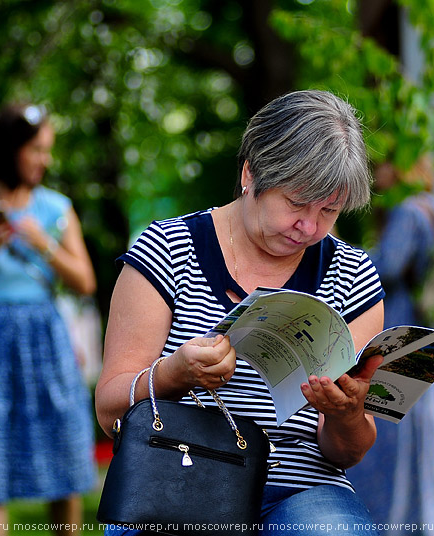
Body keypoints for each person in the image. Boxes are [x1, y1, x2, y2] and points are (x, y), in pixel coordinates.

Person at [95, 89, 385, 536]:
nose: (309, 227)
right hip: (178, 471)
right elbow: (108, 407)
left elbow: (346, 451)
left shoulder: (352, 275)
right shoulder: (166, 251)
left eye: (329, 210)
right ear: (251, 174)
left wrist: (346, 413)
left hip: (300, 489)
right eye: (296, 203)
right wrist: (175, 373)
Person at [0, 103, 97, 536]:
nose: (45, 160)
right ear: (10, 150)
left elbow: (85, 281)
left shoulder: (56, 209)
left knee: (63, 451)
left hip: (45, 336)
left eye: (47, 150)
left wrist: (41, 241)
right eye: (37, 150)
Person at [348, 157, 434, 535]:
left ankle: (391, 527)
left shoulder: (409, 213)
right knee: (421, 446)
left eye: (383, 167)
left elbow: (386, 268)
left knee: (391, 446)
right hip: (425, 340)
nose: (377, 176)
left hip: (400, 340)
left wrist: (348, 263)